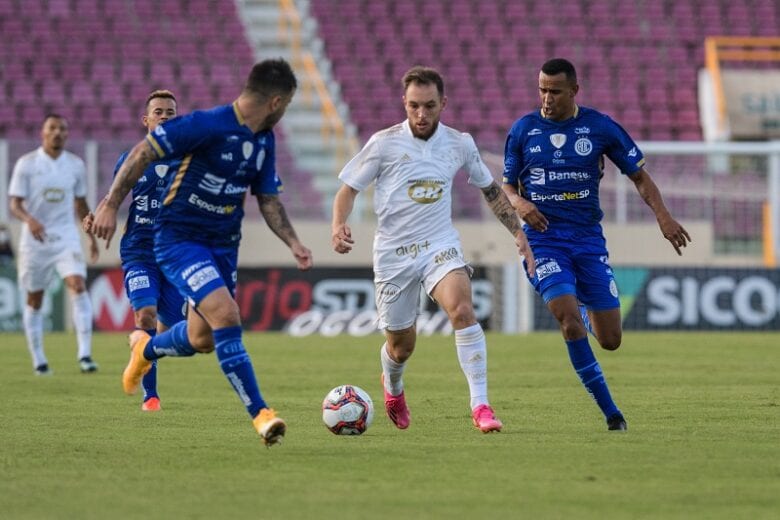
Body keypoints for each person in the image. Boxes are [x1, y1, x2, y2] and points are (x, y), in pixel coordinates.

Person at [90, 59, 313, 446]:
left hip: (223, 246)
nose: (285, 113)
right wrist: (109, 204)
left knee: (202, 339)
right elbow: (143, 152)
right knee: (227, 314)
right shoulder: (206, 125)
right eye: (287, 105)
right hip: (178, 239)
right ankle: (261, 414)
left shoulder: (264, 139)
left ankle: (146, 348)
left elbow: (268, 199)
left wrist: (292, 241)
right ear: (276, 101)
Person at [331, 66, 535, 433]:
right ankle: (392, 386)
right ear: (404, 104)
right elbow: (348, 189)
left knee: (462, 310)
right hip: (394, 253)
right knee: (401, 346)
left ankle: (481, 406)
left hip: (439, 246)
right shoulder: (384, 143)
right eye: (413, 106)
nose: (421, 115)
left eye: (429, 106)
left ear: (443, 103)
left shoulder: (459, 143)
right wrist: (338, 224)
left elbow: (490, 190)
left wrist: (517, 233)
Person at [502, 58, 692, 431]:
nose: (546, 98)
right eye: (541, 89)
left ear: (574, 90)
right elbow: (505, 186)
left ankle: (588, 311)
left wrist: (664, 217)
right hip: (545, 242)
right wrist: (520, 203)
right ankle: (612, 414)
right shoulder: (524, 130)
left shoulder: (600, 128)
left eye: (554, 91)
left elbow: (639, 176)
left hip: (588, 242)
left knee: (611, 340)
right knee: (568, 322)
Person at [83, 89, 186, 412]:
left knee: (175, 336)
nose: (165, 116)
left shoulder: (189, 161)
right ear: (146, 120)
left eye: (171, 112)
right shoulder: (131, 159)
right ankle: (150, 396)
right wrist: (97, 217)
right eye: (159, 112)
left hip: (175, 255)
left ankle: (142, 351)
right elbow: (113, 198)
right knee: (145, 316)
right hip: (139, 252)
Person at [8, 114, 100, 376]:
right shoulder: (27, 164)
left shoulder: (75, 165)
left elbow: (81, 205)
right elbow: (15, 203)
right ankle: (39, 359)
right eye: (52, 128)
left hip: (66, 236)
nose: (58, 132)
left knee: (78, 284)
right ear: (43, 133)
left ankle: (85, 354)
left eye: (62, 129)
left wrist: (91, 238)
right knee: (34, 298)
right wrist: (30, 220)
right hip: (35, 240)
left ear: (67, 134)